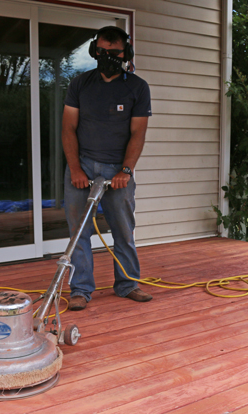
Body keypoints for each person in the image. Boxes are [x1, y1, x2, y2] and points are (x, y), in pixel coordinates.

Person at [62, 26, 152, 311]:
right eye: (102, 52)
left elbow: (138, 133)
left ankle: (128, 284)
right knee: (79, 232)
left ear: (126, 53)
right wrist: (75, 168)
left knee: (123, 230)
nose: (108, 57)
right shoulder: (80, 84)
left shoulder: (137, 87)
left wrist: (125, 171)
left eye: (114, 53)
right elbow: (68, 127)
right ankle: (80, 289)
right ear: (94, 51)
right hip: (84, 165)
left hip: (118, 169)